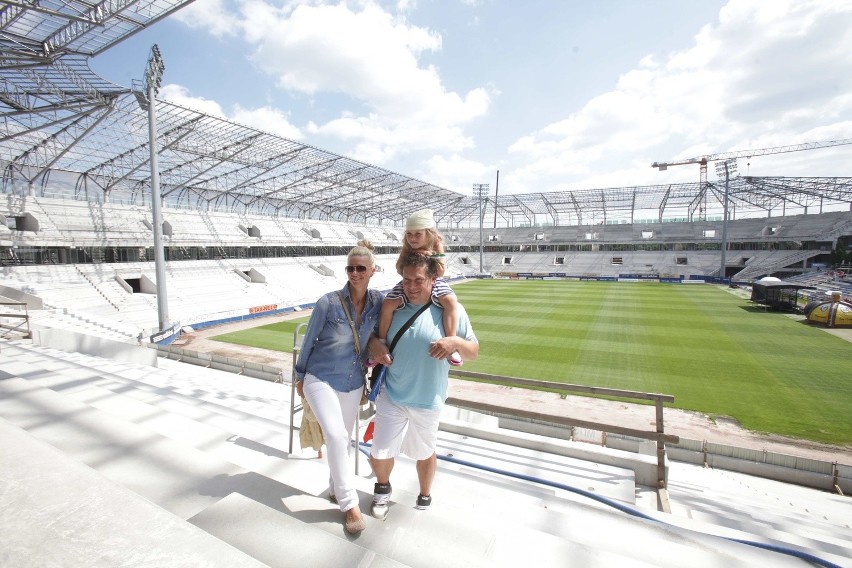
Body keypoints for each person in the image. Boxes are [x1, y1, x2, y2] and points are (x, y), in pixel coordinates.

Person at [366, 252, 479, 519]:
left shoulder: (452, 311)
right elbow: (372, 340)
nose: (412, 286)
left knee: (425, 451)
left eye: (419, 280)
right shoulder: (393, 306)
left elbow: (473, 350)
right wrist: (376, 347)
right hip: (391, 394)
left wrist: (455, 343)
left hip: (428, 399)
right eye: (406, 280)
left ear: (432, 279)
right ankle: (382, 489)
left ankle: (424, 493)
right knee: (380, 449)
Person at [294, 240, 383, 535]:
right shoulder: (327, 302)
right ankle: (349, 503)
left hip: (353, 381)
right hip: (319, 376)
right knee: (334, 434)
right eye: (350, 268)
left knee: (342, 441)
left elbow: (381, 331)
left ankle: (335, 487)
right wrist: (299, 376)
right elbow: (308, 342)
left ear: (372, 271)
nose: (355, 273)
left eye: (361, 268)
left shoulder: (378, 302)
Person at [374, 209, 463, 366]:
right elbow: (399, 269)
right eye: (409, 234)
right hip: (408, 280)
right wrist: (412, 262)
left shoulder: (436, 244)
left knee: (450, 301)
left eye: (417, 234)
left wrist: (429, 256)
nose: (412, 238)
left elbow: (441, 271)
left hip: (432, 280)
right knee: (388, 304)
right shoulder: (407, 247)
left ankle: (451, 342)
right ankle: (382, 342)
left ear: (428, 233)